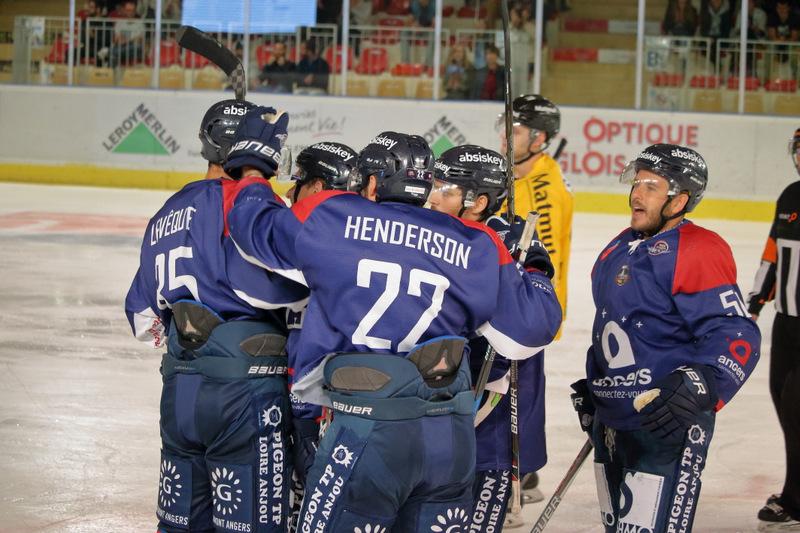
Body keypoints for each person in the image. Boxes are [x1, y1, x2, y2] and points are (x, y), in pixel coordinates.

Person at [223, 113, 562, 531]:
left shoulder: (335, 218)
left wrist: (254, 171)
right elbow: (530, 330)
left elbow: (252, 229)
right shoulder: (478, 242)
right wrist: (532, 267)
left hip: (365, 430)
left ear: (371, 184)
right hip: (448, 442)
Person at [124, 99, 308, 533]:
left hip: (180, 393)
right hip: (244, 394)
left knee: (180, 526)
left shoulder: (167, 211)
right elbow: (301, 280)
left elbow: (142, 317)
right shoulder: (249, 204)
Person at [570, 144, 761, 533]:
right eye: (637, 183)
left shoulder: (698, 249)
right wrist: (598, 386)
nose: (637, 195)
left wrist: (702, 385)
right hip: (613, 421)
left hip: (666, 424)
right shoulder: (617, 247)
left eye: (651, 187)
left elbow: (736, 335)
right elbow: (612, 325)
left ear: (679, 200)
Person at [428, 144, 556, 532]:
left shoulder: (509, 241)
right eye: (433, 185)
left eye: (445, 189)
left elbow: (535, 323)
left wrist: (526, 266)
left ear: (479, 202)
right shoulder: (426, 231)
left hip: (489, 413)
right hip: (430, 410)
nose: (433, 197)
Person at [498, 94, 574, 512]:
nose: (505, 137)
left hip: (525, 310)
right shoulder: (518, 175)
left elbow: (545, 260)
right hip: (508, 305)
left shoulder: (545, 188)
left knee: (518, 393)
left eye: (515, 129)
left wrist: (532, 313)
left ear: (539, 139)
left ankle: (519, 476)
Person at [281, 141, 359, 531]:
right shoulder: (367, 237)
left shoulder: (296, 232)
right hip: (332, 390)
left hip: (306, 389)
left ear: (316, 186)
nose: (289, 190)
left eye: (298, 181)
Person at [748, 127, 800, 531]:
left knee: (797, 409)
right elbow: (773, 254)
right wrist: (754, 303)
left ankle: (794, 500)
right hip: (786, 324)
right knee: (784, 401)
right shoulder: (790, 197)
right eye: (798, 149)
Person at [110, 0, 145, 66]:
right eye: (128, 10)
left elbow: (140, 39)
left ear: (135, 11)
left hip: (134, 49)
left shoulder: (140, 23)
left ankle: (110, 52)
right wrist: (130, 39)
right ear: (124, 10)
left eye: (132, 10)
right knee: (116, 49)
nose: (130, 13)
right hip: (122, 47)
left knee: (136, 47)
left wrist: (126, 40)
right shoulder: (119, 23)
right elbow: (117, 39)